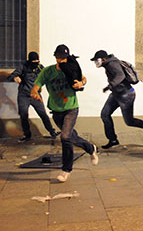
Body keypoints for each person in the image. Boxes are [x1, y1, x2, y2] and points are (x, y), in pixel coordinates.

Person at [31, 44, 98, 182]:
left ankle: (66, 170)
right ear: (55, 57)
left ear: (67, 58)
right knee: (71, 136)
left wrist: (81, 83)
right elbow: (37, 85)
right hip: (56, 110)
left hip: (71, 108)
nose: (60, 60)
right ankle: (90, 148)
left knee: (65, 137)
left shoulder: (72, 69)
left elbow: (83, 79)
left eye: (63, 58)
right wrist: (34, 92)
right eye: (58, 58)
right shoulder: (48, 71)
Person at [90, 50, 143, 149]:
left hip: (126, 95)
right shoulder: (108, 64)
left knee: (129, 121)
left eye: (97, 60)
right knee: (105, 115)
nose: (96, 63)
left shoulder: (112, 64)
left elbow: (120, 75)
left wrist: (110, 86)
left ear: (103, 59)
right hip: (116, 94)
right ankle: (113, 140)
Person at [7, 51, 58, 142]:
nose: (35, 62)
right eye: (33, 61)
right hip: (24, 95)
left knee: (43, 114)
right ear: (29, 60)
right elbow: (11, 76)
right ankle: (27, 135)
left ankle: (52, 132)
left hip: (36, 95)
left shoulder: (40, 67)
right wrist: (15, 78)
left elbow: (49, 76)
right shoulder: (24, 66)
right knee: (23, 115)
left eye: (37, 60)